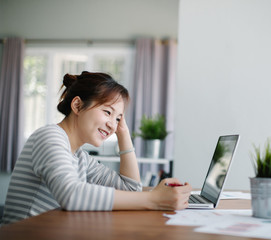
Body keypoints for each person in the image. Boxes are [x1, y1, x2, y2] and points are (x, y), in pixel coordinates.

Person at [2, 71, 192, 225]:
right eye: (107, 112)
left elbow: (131, 189)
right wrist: (154, 200)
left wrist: (123, 134)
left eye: (118, 118)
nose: (112, 125)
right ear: (77, 105)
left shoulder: (80, 157)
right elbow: (71, 194)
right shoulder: (50, 137)